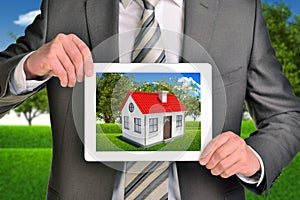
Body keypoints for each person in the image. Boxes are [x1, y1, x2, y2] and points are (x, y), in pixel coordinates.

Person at [1, 0, 300, 199]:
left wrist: (253, 157)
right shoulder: (65, 5)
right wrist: (28, 65)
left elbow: (286, 115)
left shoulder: (240, 10)